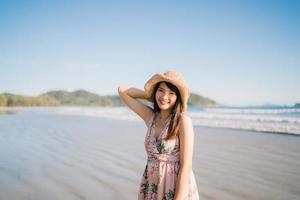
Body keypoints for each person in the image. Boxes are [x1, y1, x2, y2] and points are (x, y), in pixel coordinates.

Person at [118, 71, 199, 200]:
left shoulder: (183, 121)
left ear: (178, 97)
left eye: (171, 93)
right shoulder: (150, 117)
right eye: (161, 90)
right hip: (152, 185)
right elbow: (122, 90)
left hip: (175, 187)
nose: (165, 96)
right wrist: (150, 94)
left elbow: (186, 166)